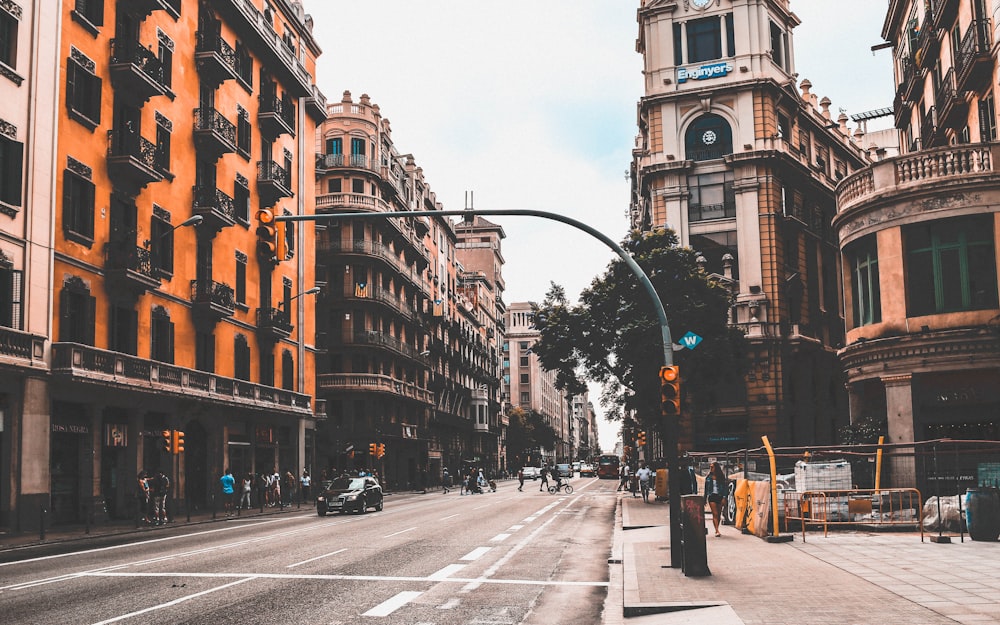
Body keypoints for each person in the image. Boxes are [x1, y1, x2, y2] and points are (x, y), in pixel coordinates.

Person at [705, 462, 728, 537]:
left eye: (712, 467)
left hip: (720, 496)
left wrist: (724, 497)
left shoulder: (721, 477)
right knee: (715, 513)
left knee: (718, 514)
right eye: (710, 467)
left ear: (716, 468)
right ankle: (717, 530)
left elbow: (725, 488)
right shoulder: (708, 477)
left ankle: (717, 528)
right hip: (712, 496)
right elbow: (706, 489)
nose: (711, 468)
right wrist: (704, 499)